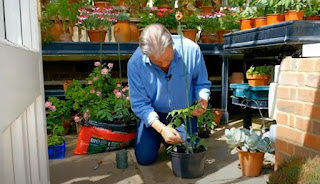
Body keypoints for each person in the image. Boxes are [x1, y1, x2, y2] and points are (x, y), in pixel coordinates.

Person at [127, 23, 211, 165]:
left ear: (172, 45)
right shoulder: (135, 64)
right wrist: (162, 129)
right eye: (157, 62)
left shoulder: (191, 50)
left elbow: (201, 83)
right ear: (146, 54)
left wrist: (202, 102)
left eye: (168, 58)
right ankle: (160, 136)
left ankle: (170, 140)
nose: (164, 64)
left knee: (191, 152)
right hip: (154, 114)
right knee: (144, 158)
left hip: (185, 113)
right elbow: (139, 103)